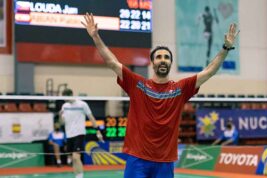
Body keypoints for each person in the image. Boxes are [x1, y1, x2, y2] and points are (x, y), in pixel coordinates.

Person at [81, 13, 239, 178]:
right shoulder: (137, 84)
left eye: (166, 57)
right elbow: (112, 62)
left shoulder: (181, 88)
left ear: (170, 63)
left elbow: (209, 71)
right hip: (137, 159)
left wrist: (226, 48)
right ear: (152, 62)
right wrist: (96, 37)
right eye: (159, 57)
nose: (163, 60)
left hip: (164, 161)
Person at [59, 88, 104, 178]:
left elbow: (91, 117)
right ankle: (77, 176)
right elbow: (62, 123)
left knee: (76, 157)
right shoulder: (64, 106)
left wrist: (98, 130)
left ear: (70, 95)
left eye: (65, 97)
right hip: (69, 135)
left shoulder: (82, 104)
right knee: (73, 159)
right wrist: (60, 116)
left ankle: (80, 177)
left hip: (79, 133)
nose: (64, 99)